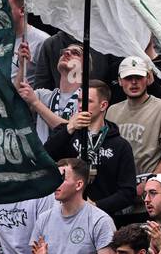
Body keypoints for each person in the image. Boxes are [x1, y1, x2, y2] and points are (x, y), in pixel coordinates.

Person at [42, 80, 138, 216]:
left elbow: (128, 192)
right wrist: (69, 128)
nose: (81, 106)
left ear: (103, 105)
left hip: (103, 216)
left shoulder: (120, 145)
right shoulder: (66, 133)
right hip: (65, 213)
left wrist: (96, 206)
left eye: (88, 101)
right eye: (80, 100)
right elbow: (45, 158)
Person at [106, 55, 161, 213]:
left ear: (148, 78)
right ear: (120, 81)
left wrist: (149, 184)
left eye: (138, 77)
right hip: (116, 193)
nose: (133, 82)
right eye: (128, 78)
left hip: (149, 194)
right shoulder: (112, 111)